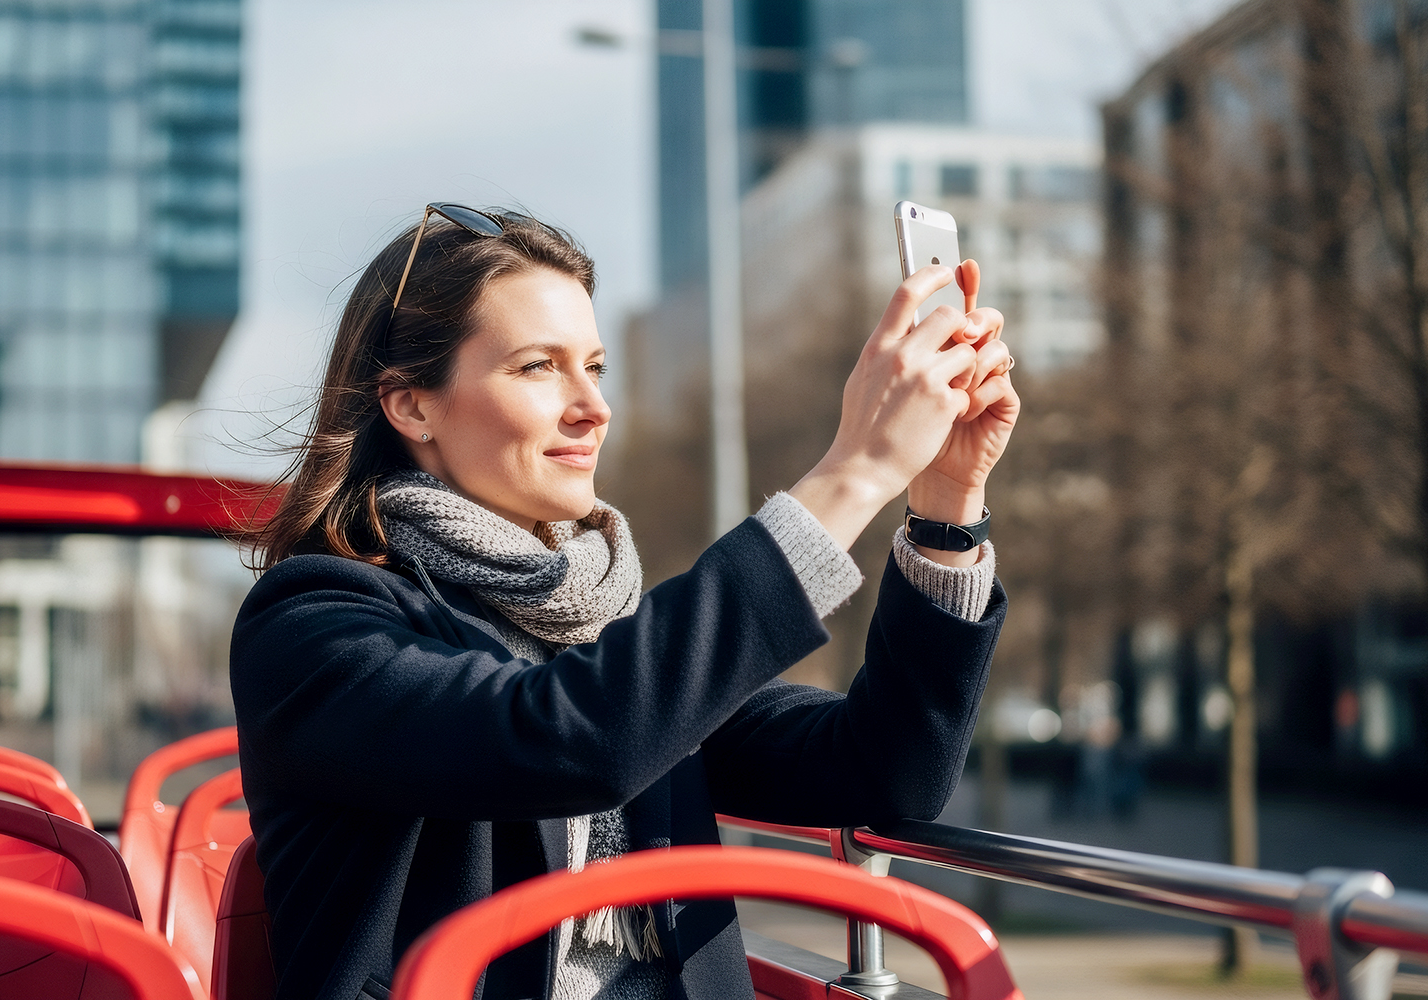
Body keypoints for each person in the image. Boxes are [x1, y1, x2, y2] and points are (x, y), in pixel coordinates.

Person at [231, 204, 1019, 1000]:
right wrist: (854, 473)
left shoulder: (608, 627)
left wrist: (944, 511)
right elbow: (572, 739)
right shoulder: (312, 622)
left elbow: (884, 772)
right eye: (538, 367)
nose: (593, 406)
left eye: (596, 367)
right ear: (411, 405)